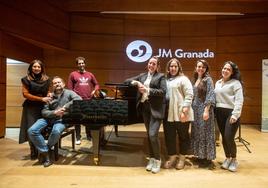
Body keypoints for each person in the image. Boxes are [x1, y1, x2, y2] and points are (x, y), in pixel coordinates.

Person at [124, 56, 167, 174]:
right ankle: (152, 159)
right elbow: (126, 81)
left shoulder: (161, 77)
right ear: (147, 64)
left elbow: (163, 92)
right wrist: (136, 82)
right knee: (149, 135)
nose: (151, 65)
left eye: (154, 64)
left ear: (157, 66)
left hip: (156, 109)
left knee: (153, 134)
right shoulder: (142, 76)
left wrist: (147, 90)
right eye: (150, 63)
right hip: (145, 108)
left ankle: (158, 160)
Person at [28, 76, 82, 167]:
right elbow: (44, 112)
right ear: (52, 86)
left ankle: (46, 151)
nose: (57, 84)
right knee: (31, 131)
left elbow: (79, 99)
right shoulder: (49, 96)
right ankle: (46, 151)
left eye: (59, 82)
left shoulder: (69, 93)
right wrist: (55, 113)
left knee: (56, 131)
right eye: (55, 83)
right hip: (48, 118)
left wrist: (65, 107)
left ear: (63, 84)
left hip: (62, 119)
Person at [163, 58, 194, 170]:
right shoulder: (165, 80)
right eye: (171, 66)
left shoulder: (183, 79)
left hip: (181, 112)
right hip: (168, 113)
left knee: (183, 136)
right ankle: (172, 157)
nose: (173, 68)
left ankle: (181, 158)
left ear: (179, 67)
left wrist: (184, 110)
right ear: (168, 68)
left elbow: (189, 95)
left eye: (175, 66)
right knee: (169, 136)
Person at [214, 61, 244, 172]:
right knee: (223, 138)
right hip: (219, 112)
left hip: (231, 113)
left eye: (228, 69)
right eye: (224, 68)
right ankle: (227, 158)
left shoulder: (236, 83)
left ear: (232, 72)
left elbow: (239, 100)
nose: (225, 71)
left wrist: (235, 114)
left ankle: (234, 159)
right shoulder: (217, 82)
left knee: (229, 137)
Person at [19, 59, 51, 160]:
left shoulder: (47, 79)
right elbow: (25, 94)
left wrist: (49, 94)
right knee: (31, 128)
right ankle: (33, 150)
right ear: (31, 68)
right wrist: (41, 98)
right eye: (34, 66)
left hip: (43, 107)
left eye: (38, 67)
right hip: (31, 107)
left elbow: (48, 91)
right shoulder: (26, 79)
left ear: (41, 68)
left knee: (41, 129)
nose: (36, 68)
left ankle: (42, 150)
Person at [67, 56, 100, 145]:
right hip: (77, 100)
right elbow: (70, 88)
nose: (81, 64)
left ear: (85, 64)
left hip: (88, 99)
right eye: (79, 63)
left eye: (82, 63)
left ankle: (88, 135)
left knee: (87, 119)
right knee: (77, 120)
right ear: (77, 65)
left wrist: (94, 90)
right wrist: (74, 97)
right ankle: (78, 137)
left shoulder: (90, 74)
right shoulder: (73, 74)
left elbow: (96, 84)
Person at [190, 59, 216, 169]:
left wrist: (206, 110)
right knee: (197, 132)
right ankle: (199, 155)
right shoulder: (196, 79)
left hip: (204, 109)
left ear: (206, 69)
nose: (200, 69)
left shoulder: (208, 80)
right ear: (196, 68)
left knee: (206, 133)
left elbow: (210, 95)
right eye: (199, 66)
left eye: (203, 67)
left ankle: (207, 157)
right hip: (195, 110)